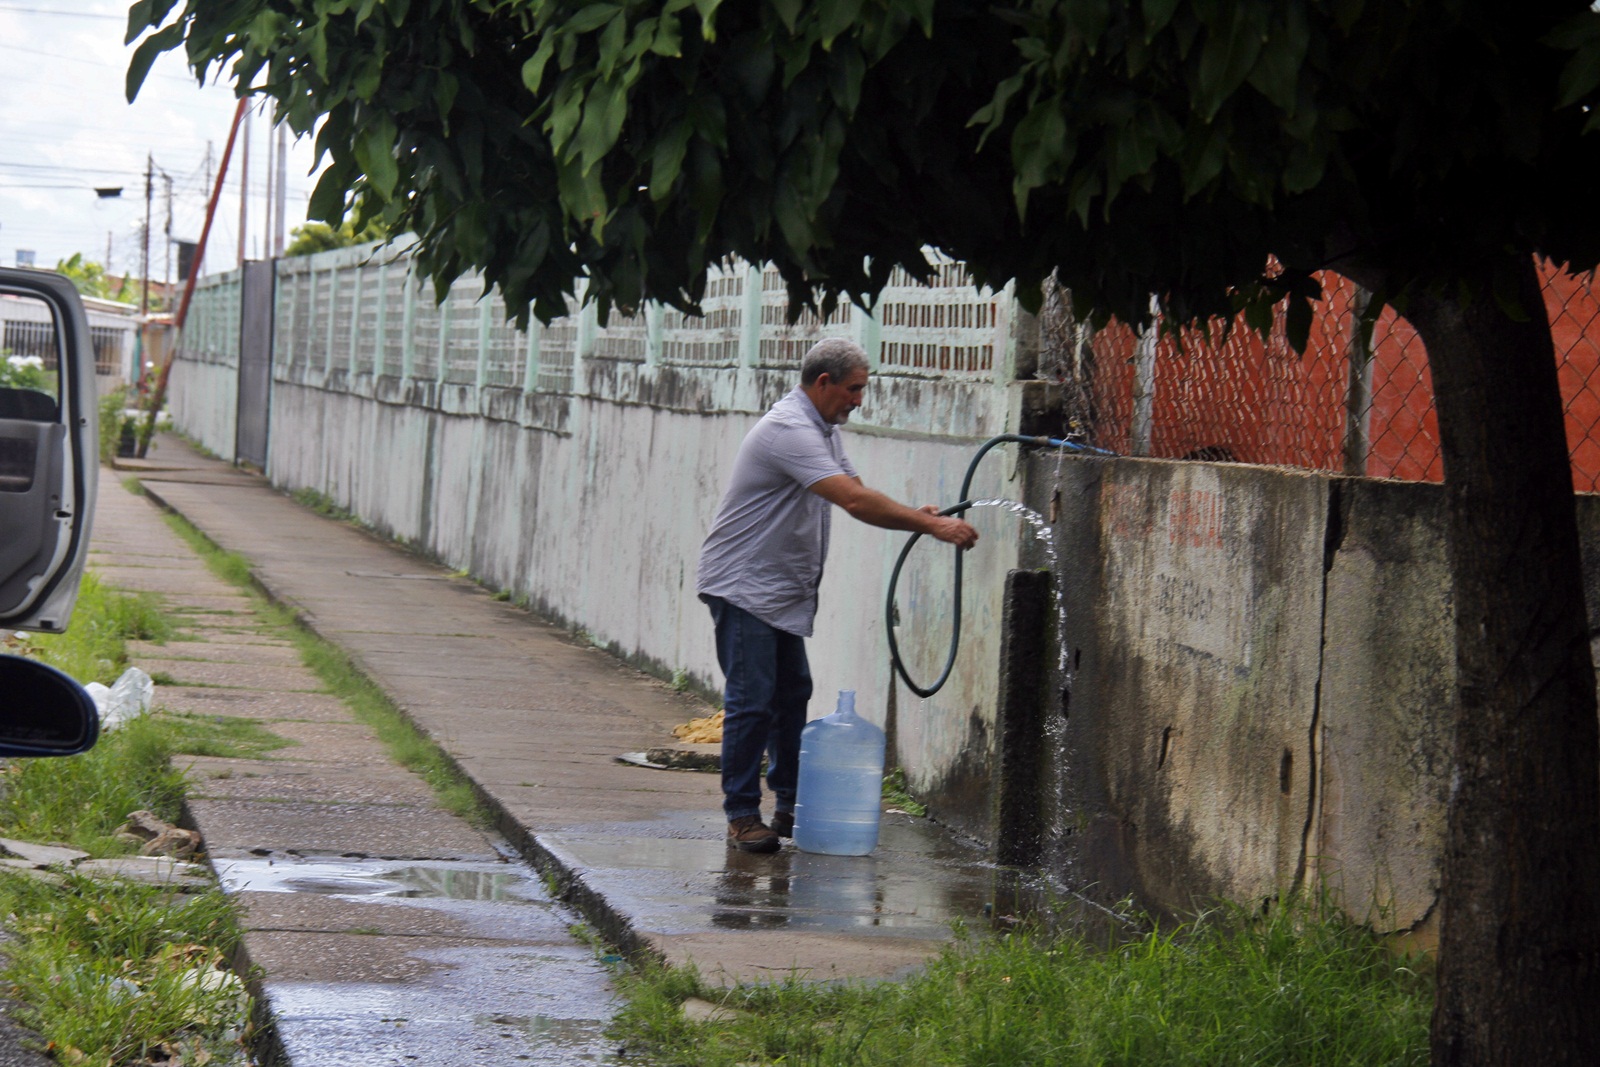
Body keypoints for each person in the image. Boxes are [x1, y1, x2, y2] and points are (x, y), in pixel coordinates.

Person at [696, 338, 980, 853]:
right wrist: (932, 528)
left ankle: (788, 804)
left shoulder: (821, 430)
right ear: (823, 383)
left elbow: (855, 486)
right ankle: (741, 815)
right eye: (853, 389)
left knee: (792, 692)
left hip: (778, 589)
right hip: (743, 585)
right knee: (752, 701)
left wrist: (921, 516)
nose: (859, 400)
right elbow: (852, 501)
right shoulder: (790, 429)